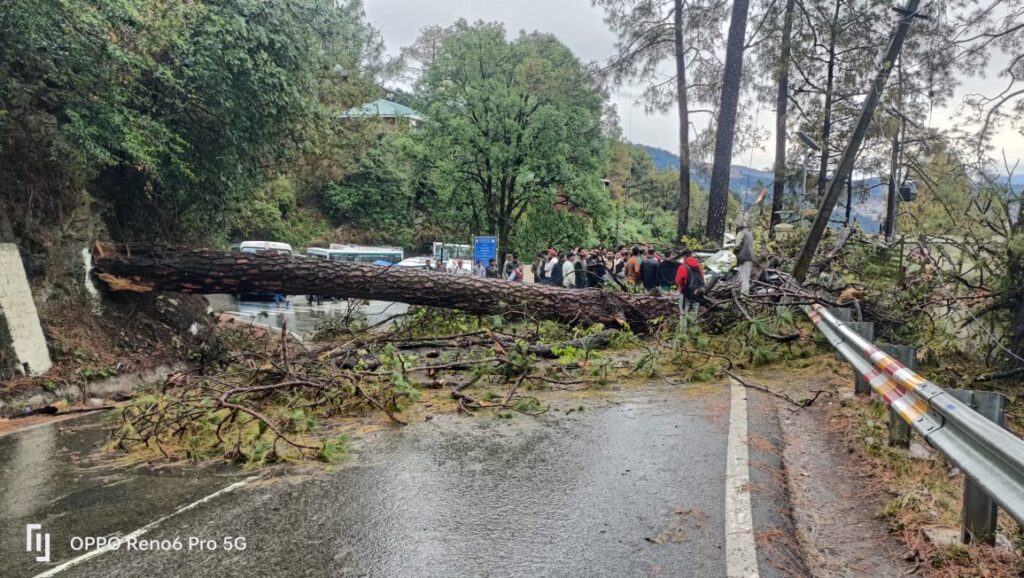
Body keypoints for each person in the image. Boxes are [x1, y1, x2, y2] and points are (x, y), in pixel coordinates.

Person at [674, 248, 707, 334]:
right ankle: (693, 333)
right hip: (697, 293)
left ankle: (683, 335)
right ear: (691, 255)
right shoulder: (699, 266)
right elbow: (702, 278)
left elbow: (678, 281)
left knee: (683, 314)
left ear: (684, 256)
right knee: (693, 314)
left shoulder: (683, 266)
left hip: (686, 293)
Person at [735, 223, 755, 295]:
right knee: (747, 276)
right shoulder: (750, 234)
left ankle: (744, 294)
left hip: (743, 257)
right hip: (750, 257)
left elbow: (737, 246)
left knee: (743, 276)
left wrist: (734, 252)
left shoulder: (741, 233)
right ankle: (746, 292)